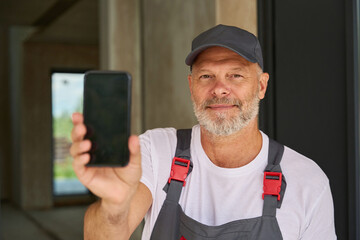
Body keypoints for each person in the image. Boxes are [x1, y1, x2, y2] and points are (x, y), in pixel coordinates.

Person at [70, 24, 337, 239]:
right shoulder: (156, 150)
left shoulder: (307, 182)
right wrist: (114, 207)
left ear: (262, 86)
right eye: (206, 76)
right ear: (191, 86)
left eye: (236, 75)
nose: (219, 89)